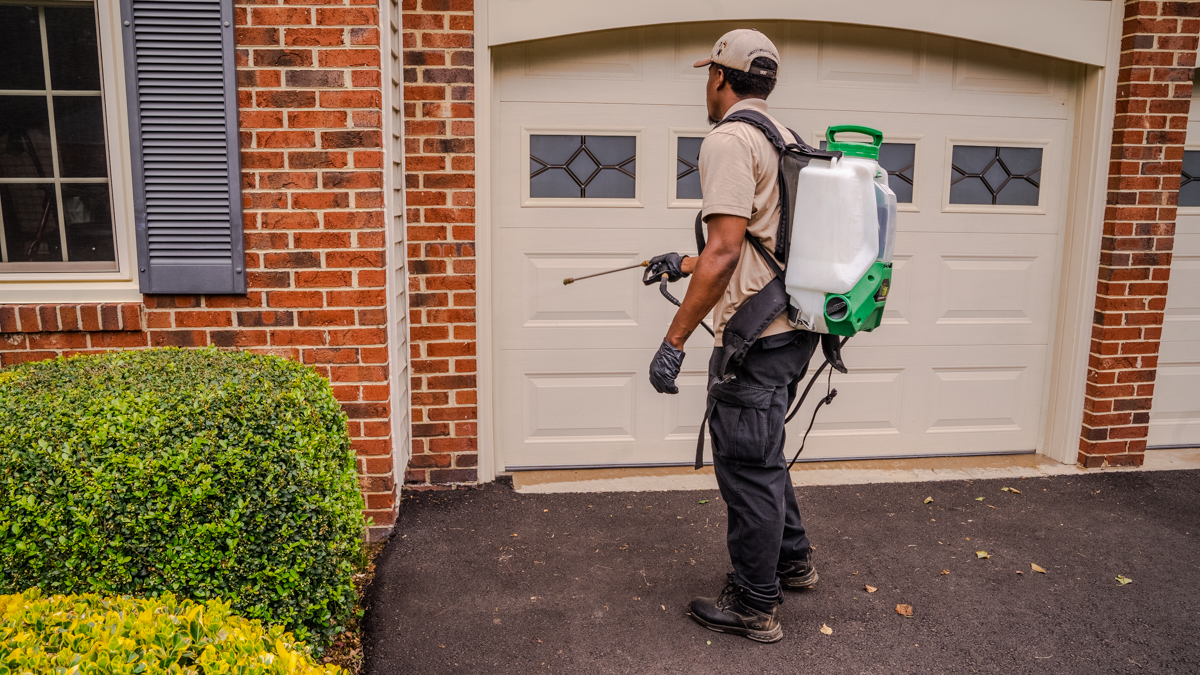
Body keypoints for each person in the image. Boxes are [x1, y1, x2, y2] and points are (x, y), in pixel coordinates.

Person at [645, 29, 819, 644]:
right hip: (795, 328)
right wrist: (683, 263)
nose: (707, 85)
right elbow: (756, 243)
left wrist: (673, 341)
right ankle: (792, 560)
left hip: (753, 336)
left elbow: (724, 252)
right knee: (762, 449)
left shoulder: (727, 140)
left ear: (720, 76)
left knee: (746, 466)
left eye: (708, 75)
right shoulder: (789, 140)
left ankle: (754, 604)